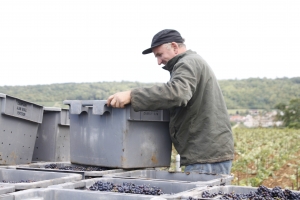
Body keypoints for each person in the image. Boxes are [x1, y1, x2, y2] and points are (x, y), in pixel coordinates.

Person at [107, 29, 234, 175]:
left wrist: (132, 95)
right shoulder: (192, 61)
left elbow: (177, 93)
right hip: (208, 154)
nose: (159, 62)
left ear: (174, 47)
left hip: (206, 156)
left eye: (159, 55)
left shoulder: (187, 62)